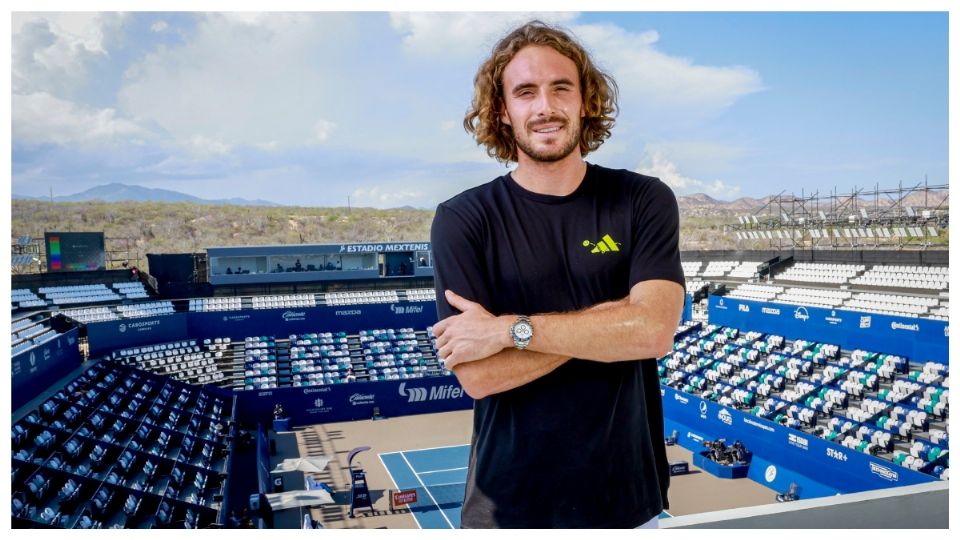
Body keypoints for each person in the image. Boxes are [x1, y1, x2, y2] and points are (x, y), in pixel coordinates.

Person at [430, 20, 685, 528]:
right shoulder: (463, 219)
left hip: (629, 508)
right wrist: (614, 323)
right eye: (525, 92)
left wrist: (509, 331)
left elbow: (654, 330)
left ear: (586, 100)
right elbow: (480, 376)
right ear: (502, 111)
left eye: (560, 87)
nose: (544, 106)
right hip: (511, 512)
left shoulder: (642, 200)